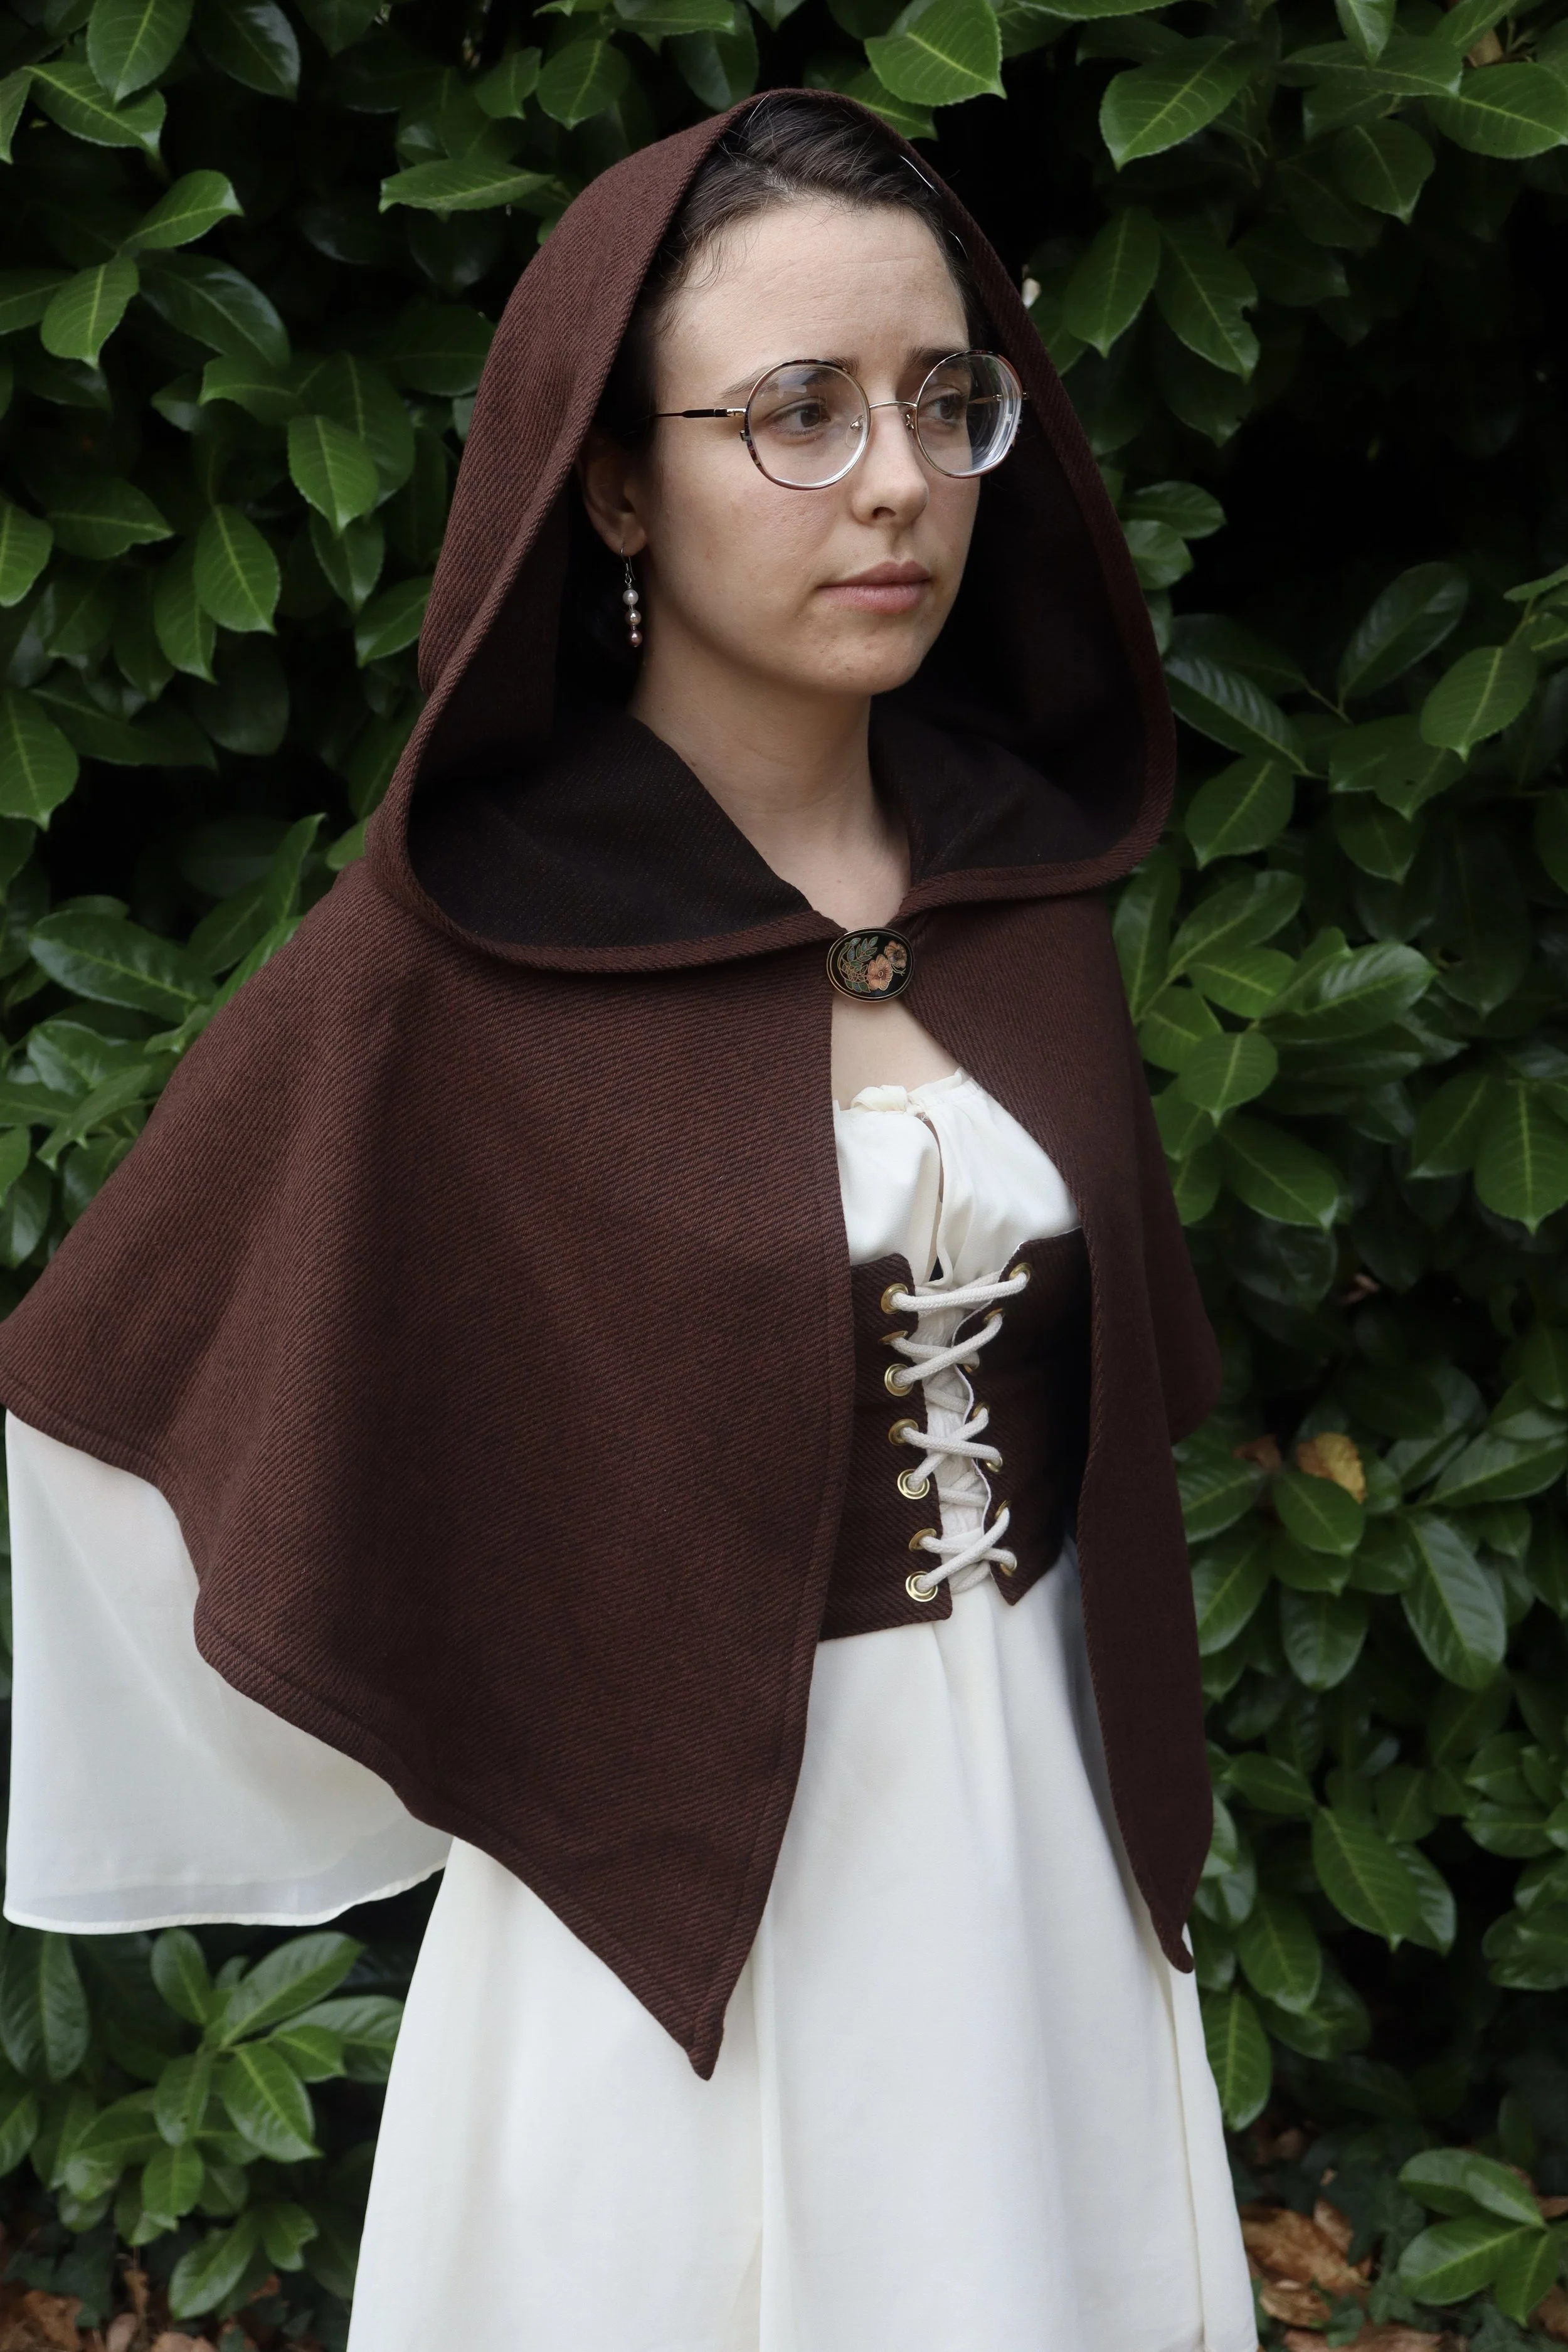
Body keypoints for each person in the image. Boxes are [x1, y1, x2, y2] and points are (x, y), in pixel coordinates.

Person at [0, 90, 1258, 2352]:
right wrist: (457, 1714)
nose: (892, 479)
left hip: (1054, 1859)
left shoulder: (1021, 889)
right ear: (609, 478)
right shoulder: (456, 962)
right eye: (793, 411)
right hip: (670, 1900)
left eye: (941, 398)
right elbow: (112, 1374)